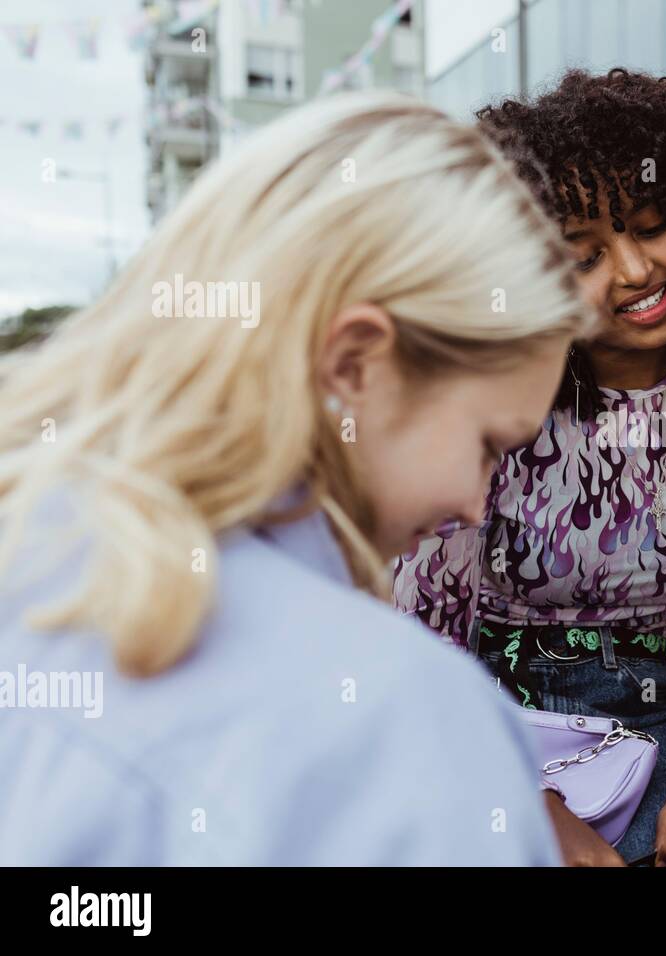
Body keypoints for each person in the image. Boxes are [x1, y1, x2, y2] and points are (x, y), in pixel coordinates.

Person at [0, 92, 595, 865]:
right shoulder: (404, 725)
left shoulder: (33, 555)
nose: (478, 506)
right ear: (353, 365)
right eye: (487, 445)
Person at [394, 68, 666, 865]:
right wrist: (522, 801)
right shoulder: (498, 402)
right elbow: (426, 648)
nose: (634, 271)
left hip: (648, 716)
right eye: (584, 257)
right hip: (486, 714)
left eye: (651, 226)